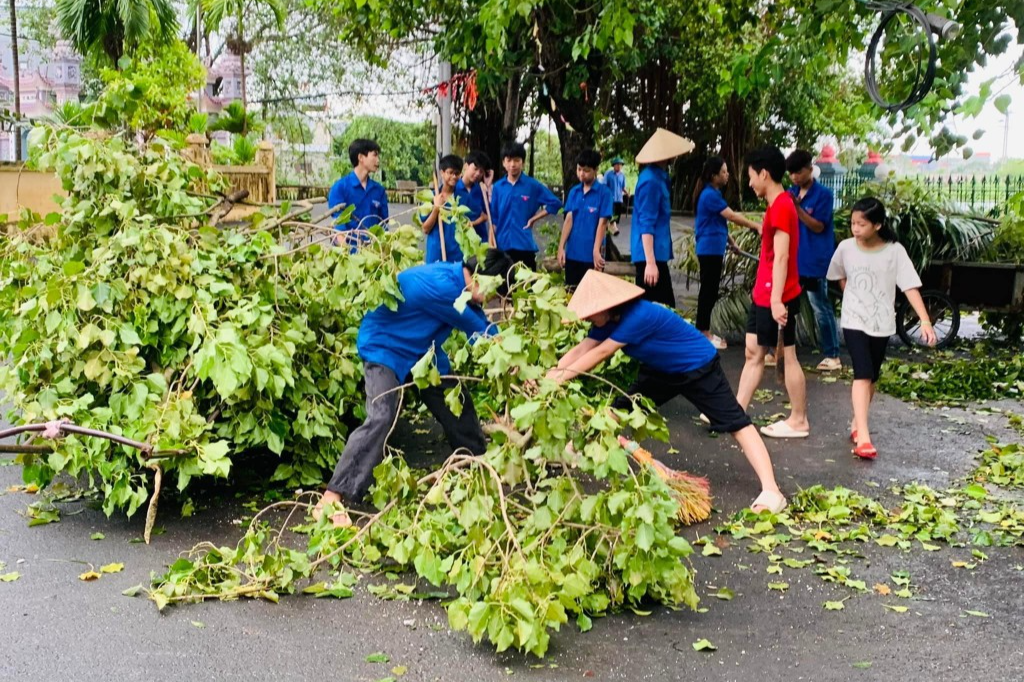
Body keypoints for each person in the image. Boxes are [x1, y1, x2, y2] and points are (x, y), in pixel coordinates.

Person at [547, 270, 787, 513]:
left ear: (607, 305)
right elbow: (583, 349)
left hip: (698, 366)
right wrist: (551, 375)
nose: (586, 318)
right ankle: (574, 450)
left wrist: (560, 379)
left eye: (590, 313)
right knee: (620, 409)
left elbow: (599, 353)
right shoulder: (606, 320)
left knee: (735, 422)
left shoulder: (637, 315)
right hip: (661, 371)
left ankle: (772, 491)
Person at [314, 250, 515, 527]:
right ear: (483, 280)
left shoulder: (457, 279)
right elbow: (478, 329)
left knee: (452, 396)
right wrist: (516, 359)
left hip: (421, 348)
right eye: (494, 292)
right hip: (385, 345)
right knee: (382, 414)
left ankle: (475, 460)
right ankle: (332, 496)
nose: (492, 299)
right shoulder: (446, 290)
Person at [827, 198, 936, 459]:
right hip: (853, 320)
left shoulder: (894, 251)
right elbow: (837, 274)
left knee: (872, 377)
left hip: (882, 322)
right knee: (862, 375)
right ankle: (863, 437)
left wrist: (925, 320)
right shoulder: (845, 248)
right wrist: (851, 296)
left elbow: (909, 286)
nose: (855, 228)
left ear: (877, 225)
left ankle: (857, 421)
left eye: (861, 224)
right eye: (853, 223)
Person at [734, 146, 810, 440]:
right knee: (753, 350)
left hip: (775, 294)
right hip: (764, 293)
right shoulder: (778, 203)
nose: (750, 182)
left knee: (787, 355)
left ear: (763, 173)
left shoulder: (781, 206)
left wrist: (777, 299)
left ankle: (799, 419)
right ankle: (735, 411)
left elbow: (781, 257)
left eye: (751, 176)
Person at [692, 155, 764, 350]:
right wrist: (756, 225)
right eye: (723, 172)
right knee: (708, 291)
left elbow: (719, 222)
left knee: (710, 289)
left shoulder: (713, 193)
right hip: (709, 249)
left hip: (714, 248)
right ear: (714, 175)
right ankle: (703, 332)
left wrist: (732, 243)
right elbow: (731, 216)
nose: (727, 175)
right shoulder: (709, 195)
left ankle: (703, 330)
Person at [787, 149, 841, 372]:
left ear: (810, 169)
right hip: (794, 260)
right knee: (788, 307)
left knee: (820, 307)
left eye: (798, 172)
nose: (794, 178)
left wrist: (797, 208)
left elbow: (818, 226)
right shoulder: (790, 192)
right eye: (791, 174)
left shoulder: (824, 195)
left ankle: (832, 355)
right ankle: (781, 351)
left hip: (816, 261)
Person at [631, 128, 694, 307]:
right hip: (649, 256)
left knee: (661, 309)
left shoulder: (660, 177)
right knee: (661, 309)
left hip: (656, 253)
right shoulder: (651, 180)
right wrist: (650, 263)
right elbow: (646, 223)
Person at [489, 141, 563, 271]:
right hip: (502, 245)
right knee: (503, 288)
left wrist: (534, 219)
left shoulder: (532, 186)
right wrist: (491, 243)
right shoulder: (498, 188)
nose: (513, 164)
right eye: (509, 160)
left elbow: (555, 203)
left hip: (524, 245)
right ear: (504, 163)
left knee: (526, 287)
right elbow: (493, 219)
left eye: (517, 160)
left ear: (522, 162)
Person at [557, 149, 613, 289]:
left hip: (591, 256)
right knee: (571, 293)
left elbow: (603, 223)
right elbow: (569, 219)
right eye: (579, 169)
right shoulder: (574, 192)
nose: (581, 174)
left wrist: (596, 251)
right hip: (573, 254)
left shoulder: (604, 193)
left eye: (586, 170)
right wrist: (561, 247)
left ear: (595, 170)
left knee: (591, 296)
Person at [327, 138, 390, 249]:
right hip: (349, 251)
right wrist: (346, 250)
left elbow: (383, 224)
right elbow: (338, 225)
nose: (378, 160)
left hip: (374, 252)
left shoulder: (379, 190)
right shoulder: (340, 188)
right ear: (361, 157)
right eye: (374, 155)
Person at [419, 154, 465, 263]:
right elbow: (425, 228)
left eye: (457, 173)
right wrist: (436, 208)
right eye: (450, 172)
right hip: (435, 252)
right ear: (442, 173)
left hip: (457, 254)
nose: (454, 176)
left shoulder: (463, 198)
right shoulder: (430, 197)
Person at [455, 150, 493, 245]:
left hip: (480, 240)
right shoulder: (454, 188)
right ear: (466, 166)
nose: (477, 174)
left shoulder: (482, 190)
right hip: (460, 242)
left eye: (481, 171)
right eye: (475, 169)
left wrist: (488, 187)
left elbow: (488, 214)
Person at [604, 157, 628, 233]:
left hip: (619, 198)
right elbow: (605, 186)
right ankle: (613, 229)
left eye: (620, 165)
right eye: (617, 165)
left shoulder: (622, 176)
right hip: (612, 198)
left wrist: (627, 192)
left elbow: (623, 187)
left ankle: (612, 227)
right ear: (613, 166)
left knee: (618, 215)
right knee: (612, 214)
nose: (619, 166)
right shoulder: (609, 175)